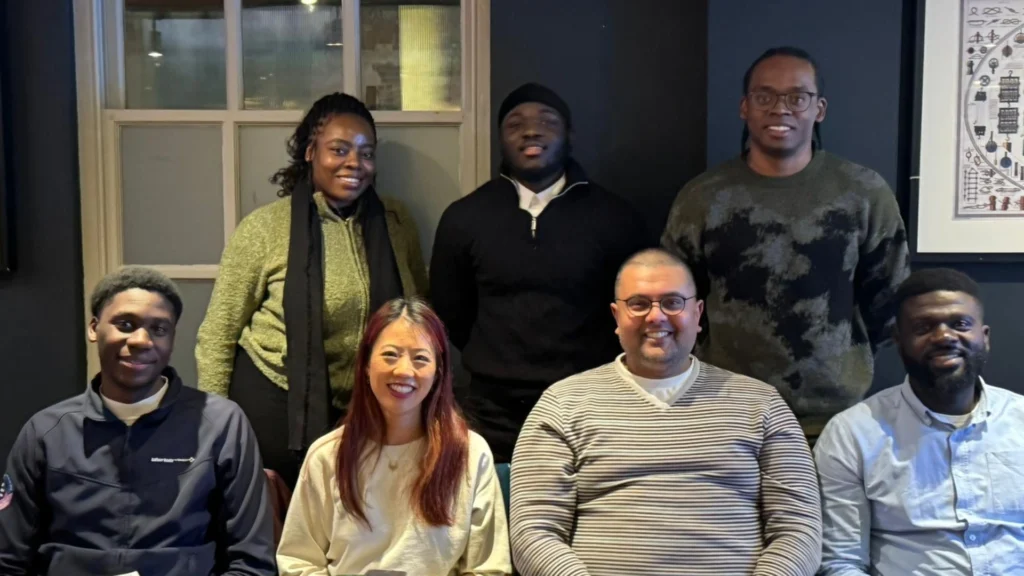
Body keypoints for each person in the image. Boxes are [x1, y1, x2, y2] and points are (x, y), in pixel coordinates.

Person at [510, 249, 821, 576]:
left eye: (673, 302)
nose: (656, 317)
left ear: (698, 314)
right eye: (639, 304)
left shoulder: (762, 404)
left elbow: (799, 529)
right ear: (616, 317)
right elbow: (533, 531)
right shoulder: (562, 404)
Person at [662, 46, 910, 445]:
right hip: (726, 415)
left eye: (797, 97)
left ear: (820, 109)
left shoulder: (863, 192)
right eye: (765, 96)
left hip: (834, 421)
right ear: (745, 107)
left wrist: (840, 366)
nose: (781, 108)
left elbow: (890, 299)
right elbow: (674, 302)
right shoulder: (702, 198)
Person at [196, 92, 428, 487]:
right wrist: (215, 433)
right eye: (339, 149)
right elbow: (217, 336)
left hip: (371, 409)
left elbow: (417, 315)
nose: (354, 163)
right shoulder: (266, 228)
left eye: (366, 152)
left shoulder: (396, 222)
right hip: (280, 412)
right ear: (309, 152)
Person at [0, 267, 275, 575]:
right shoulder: (45, 432)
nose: (142, 340)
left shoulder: (222, 424)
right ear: (94, 328)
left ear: (171, 339)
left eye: (159, 329)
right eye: (126, 324)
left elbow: (252, 563)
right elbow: (8, 560)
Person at [430, 82, 650, 463]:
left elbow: (637, 310)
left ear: (569, 135)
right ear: (500, 138)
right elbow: (452, 312)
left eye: (547, 120)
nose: (531, 131)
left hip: (590, 406)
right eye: (515, 123)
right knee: (497, 517)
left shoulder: (615, 218)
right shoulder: (464, 218)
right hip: (491, 413)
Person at [277, 298, 511, 575]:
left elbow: (489, 568)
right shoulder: (327, 455)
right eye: (390, 355)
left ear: (438, 372)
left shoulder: (470, 453)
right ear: (365, 365)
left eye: (420, 358)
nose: (403, 371)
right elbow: (298, 562)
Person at [816, 268, 1024, 575]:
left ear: (985, 337)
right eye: (924, 327)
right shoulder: (852, 434)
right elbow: (840, 561)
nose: (943, 337)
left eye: (960, 324)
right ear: (899, 342)